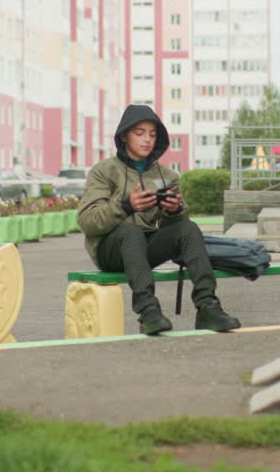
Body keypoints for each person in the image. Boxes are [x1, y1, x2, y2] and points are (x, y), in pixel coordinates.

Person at [77, 104, 242, 335]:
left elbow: (173, 230)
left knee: (188, 229)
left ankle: (208, 307)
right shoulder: (103, 171)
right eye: (140, 133)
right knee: (130, 232)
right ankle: (149, 312)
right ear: (124, 135)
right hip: (111, 250)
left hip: (144, 249)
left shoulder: (167, 175)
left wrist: (174, 211)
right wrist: (126, 206)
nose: (147, 140)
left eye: (153, 134)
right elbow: (87, 221)